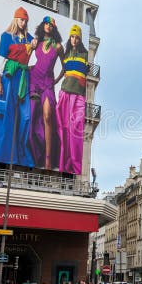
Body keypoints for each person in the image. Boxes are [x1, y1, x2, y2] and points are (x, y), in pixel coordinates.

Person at [0, 6, 35, 166]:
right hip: (8, 80)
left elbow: (37, 53)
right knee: (4, 118)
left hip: (23, 79)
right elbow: (2, 60)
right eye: (21, 19)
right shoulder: (6, 36)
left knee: (25, 118)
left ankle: (17, 154)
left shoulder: (30, 38)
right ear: (15, 19)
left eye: (25, 20)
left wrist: (35, 44)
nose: (23, 23)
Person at [28, 16, 64, 169]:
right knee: (32, 115)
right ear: (42, 25)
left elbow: (65, 67)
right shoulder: (37, 43)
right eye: (46, 23)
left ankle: (48, 160)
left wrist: (56, 81)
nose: (48, 26)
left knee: (48, 116)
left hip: (48, 83)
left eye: (51, 24)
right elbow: (26, 58)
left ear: (54, 28)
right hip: (34, 80)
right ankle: (32, 155)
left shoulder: (58, 47)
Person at [56, 24, 89, 174]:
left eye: (77, 37)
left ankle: (75, 166)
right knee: (63, 129)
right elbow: (64, 71)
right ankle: (63, 165)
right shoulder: (67, 53)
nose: (74, 39)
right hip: (65, 92)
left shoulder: (85, 54)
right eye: (72, 36)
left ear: (80, 39)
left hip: (78, 95)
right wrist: (55, 81)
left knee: (75, 129)